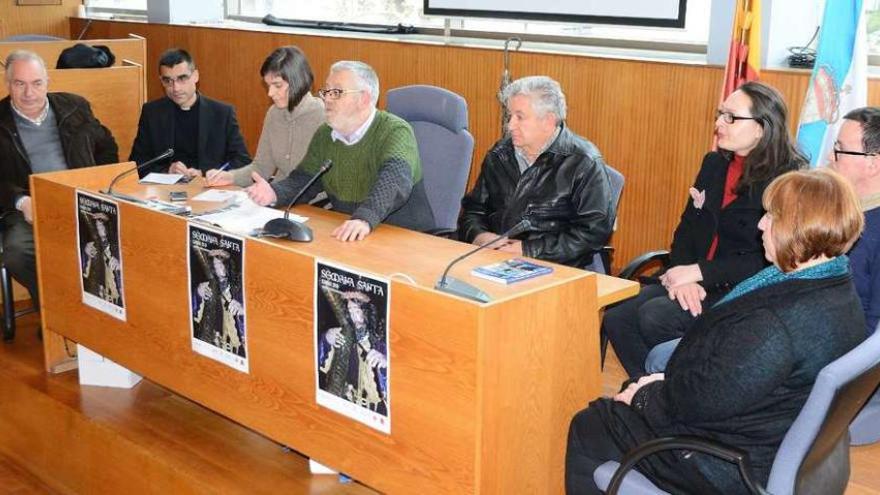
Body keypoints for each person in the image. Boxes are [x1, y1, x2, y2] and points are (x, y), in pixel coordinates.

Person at [566, 168, 866, 495]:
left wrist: (645, 395)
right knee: (632, 390)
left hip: (727, 462)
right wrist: (659, 384)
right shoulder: (838, 288)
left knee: (592, 422)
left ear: (800, 229)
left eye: (771, 216)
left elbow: (700, 404)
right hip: (767, 434)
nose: (761, 224)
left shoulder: (775, 325)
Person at [604, 81, 807, 377]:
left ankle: (683, 393)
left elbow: (767, 259)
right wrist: (683, 274)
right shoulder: (714, 163)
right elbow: (687, 228)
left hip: (740, 287)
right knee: (618, 316)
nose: (718, 123)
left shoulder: (788, 178)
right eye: (720, 114)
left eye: (731, 117)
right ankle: (652, 392)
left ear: (762, 128)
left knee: (655, 316)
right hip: (693, 276)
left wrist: (699, 273)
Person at [246, 60, 435, 241]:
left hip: (404, 237)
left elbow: (394, 180)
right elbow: (303, 180)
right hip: (349, 233)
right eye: (326, 91)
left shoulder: (395, 131)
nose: (327, 98)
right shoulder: (325, 134)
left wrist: (364, 218)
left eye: (336, 92)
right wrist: (274, 193)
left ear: (364, 98)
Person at [0, 50, 119, 309]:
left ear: (47, 82)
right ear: (8, 84)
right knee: (17, 253)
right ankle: (55, 311)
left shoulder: (75, 106)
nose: (29, 93)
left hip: (83, 203)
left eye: (36, 83)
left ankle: (100, 316)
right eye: (20, 84)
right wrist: (21, 201)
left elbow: (106, 146)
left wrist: (101, 185)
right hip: (29, 210)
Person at [458, 76, 614, 268]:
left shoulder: (583, 162)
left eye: (520, 117)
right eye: (509, 116)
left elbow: (593, 233)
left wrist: (528, 250)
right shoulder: (500, 155)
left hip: (560, 267)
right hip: (496, 261)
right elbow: (473, 210)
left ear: (548, 121)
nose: (510, 125)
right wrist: (479, 236)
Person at [205, 46, 324, 187]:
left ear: (297, 81)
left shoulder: (324, 117)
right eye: (268, 86)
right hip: (278, 196)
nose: (270, 93)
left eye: (277, 85)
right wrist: (230, 177)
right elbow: (261, 167)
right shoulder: (274, 113)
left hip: (311, 203)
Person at [129, 48, 250, 178]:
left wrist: (204, 172)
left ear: (196, 76)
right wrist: (167, 171)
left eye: (182, 78)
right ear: (161, 81)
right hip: (165, 190)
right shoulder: (152, 113)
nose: (176, 88)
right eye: (168, 81)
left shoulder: (222, 113)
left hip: (207, 188)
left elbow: (242, 161)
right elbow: (136, 163)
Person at [829, 107, 880, 336]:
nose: (831, 157)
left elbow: (872, 327)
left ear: (873, 163)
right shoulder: (834, 205)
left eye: (840, 150)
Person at [318, 290, 387, 414]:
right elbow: (319, 361)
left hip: (375, 411)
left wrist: (385, 363)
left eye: (357, 310)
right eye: (350, 311)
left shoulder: (380, 342)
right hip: (347, 404)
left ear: (367, 312)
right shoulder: (341, 335)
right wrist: (327, 339)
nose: (354, 317)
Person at [192, 248, 245, 357]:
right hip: (210, 341)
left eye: (223, 263)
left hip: (235, 347)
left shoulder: (240, 287)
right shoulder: (206, 287)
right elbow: (190, 311)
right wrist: (197, 293)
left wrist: (243, 310)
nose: (221, 267)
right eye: (216, 264)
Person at [81, 212, 122, 305]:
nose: (99, 228)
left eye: (102, 225)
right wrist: (85, 252)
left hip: (116, 294)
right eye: (97, 226)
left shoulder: (116, 244)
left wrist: (120, 265)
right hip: (99, 293)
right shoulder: (92, 245)